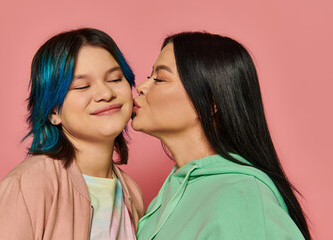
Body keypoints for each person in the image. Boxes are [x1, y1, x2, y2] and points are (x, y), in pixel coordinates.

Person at [132, 32, 310, 239]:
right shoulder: (172, 193)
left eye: (160, 79)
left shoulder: (242, 196)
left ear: (210, 102)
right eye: (148, 77)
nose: (142, 87)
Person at [0, 28, 145, 240]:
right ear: (54, 111)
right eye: (82, 86)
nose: (106, 94)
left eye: (115, 79)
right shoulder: (29, 185)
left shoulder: (131, 193)